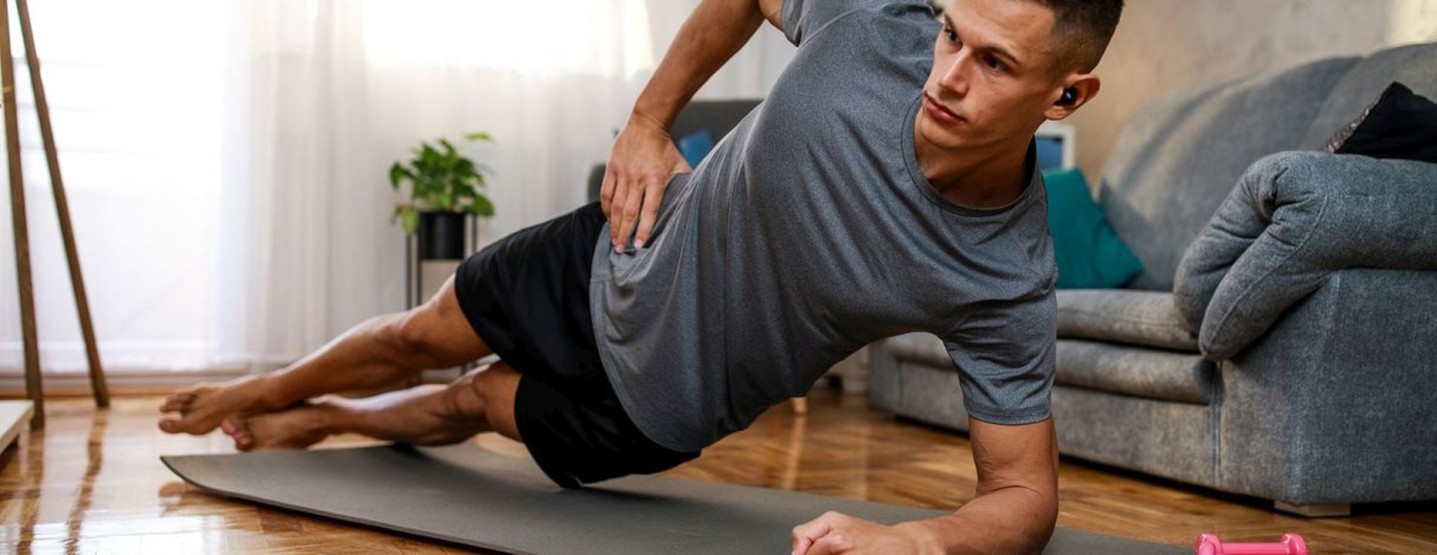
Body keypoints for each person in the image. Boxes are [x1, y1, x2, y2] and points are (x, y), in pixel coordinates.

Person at [159, 0, 1120, 552]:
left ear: (1066, 94)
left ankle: (333, 420)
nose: (944, 74)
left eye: (993, 62)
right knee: (418, 335)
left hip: (660, 407)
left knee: (471, 407)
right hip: (621, 246)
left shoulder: (1002, 273)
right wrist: (648, 120)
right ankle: (268, 388)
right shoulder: (879, 19)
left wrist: (915, 540)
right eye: (952, 31)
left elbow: (1024, 495)